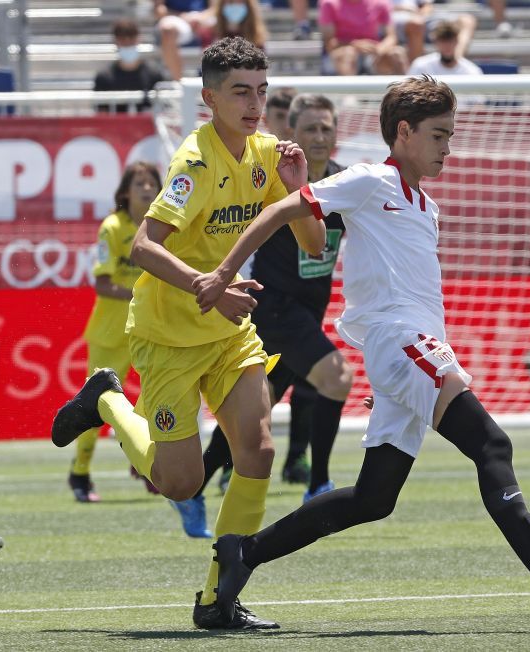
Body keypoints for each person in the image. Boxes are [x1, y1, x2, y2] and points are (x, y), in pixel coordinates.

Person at [192, 75, 530, 626]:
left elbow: (359, 260)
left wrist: (398, 379)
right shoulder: (372, 180)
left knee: (375, 499)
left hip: (408, 353)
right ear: (404, 132)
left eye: (450, 135)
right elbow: (281, 212)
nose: (448, 147)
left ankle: (243, 552)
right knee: (492, 444)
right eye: (439, 135)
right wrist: (225, 271)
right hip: (403, 345)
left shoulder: (426, 207)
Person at [51, 36, 327, 630]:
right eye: (239, 93)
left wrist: (300, 186)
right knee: (181, 483)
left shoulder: (265, 154)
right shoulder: (193, 163)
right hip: (169, 335)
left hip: (227, 332)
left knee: (258, 450)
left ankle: (217, 597)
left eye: (261, 91)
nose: (254, 104)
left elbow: (313, 249)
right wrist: (211, 286)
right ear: (208, 99)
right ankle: (105, 396)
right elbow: (144, 246)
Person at [203, 93, 353, 514]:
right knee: (337, 379)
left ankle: (195, 485)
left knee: (255, 410)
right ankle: (319, 482)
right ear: (291, 132)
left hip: (307, 313)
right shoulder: (274, 180)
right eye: (310, 128)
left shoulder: (345, 183)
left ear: (337, 133)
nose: (319, 137)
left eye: (326, 128)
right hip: (272, 308)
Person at [68, 162, 162, 503]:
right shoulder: (112, 227)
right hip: (112, 332)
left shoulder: (163, 227)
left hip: (152, 328)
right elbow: (102, 283)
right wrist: (139, 292)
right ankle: (80, 472)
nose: (148, 189)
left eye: (152, 182)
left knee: (157, 399)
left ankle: (147, 463)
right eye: (140, 183)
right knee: (98, 405)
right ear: (125, 192)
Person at [318, 0, 408, 76]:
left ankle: (406, 95)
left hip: (374, 54)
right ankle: (349, 96)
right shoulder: (329, 3)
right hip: (342, 54)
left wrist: (380, 50)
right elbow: (329, 42)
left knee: (397, 53)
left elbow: (391, 37)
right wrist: (355, 45)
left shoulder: (380, 2)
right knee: (348, 54)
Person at [95, 19, 166, 113]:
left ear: (138, 39)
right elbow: (101, 113)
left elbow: (163, 109)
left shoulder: (154, 75)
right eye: (123, 40)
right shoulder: (104, 77)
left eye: (131, 39)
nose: (127, 43)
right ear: (115, 41)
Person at [391, 0, 477, 63]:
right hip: (393, 19)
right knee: (416, 24)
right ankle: (416, 75)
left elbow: (427, 6)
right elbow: (381, 10)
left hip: (420, 17)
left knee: (466, 20)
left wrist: (420, 14)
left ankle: (456, 61)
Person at [408, 20, 483, 76]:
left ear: (457, 41)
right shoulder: (421, 66)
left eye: (450, 40)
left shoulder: (471, 71)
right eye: (443, 40)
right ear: (436, 42)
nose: (447, 45)